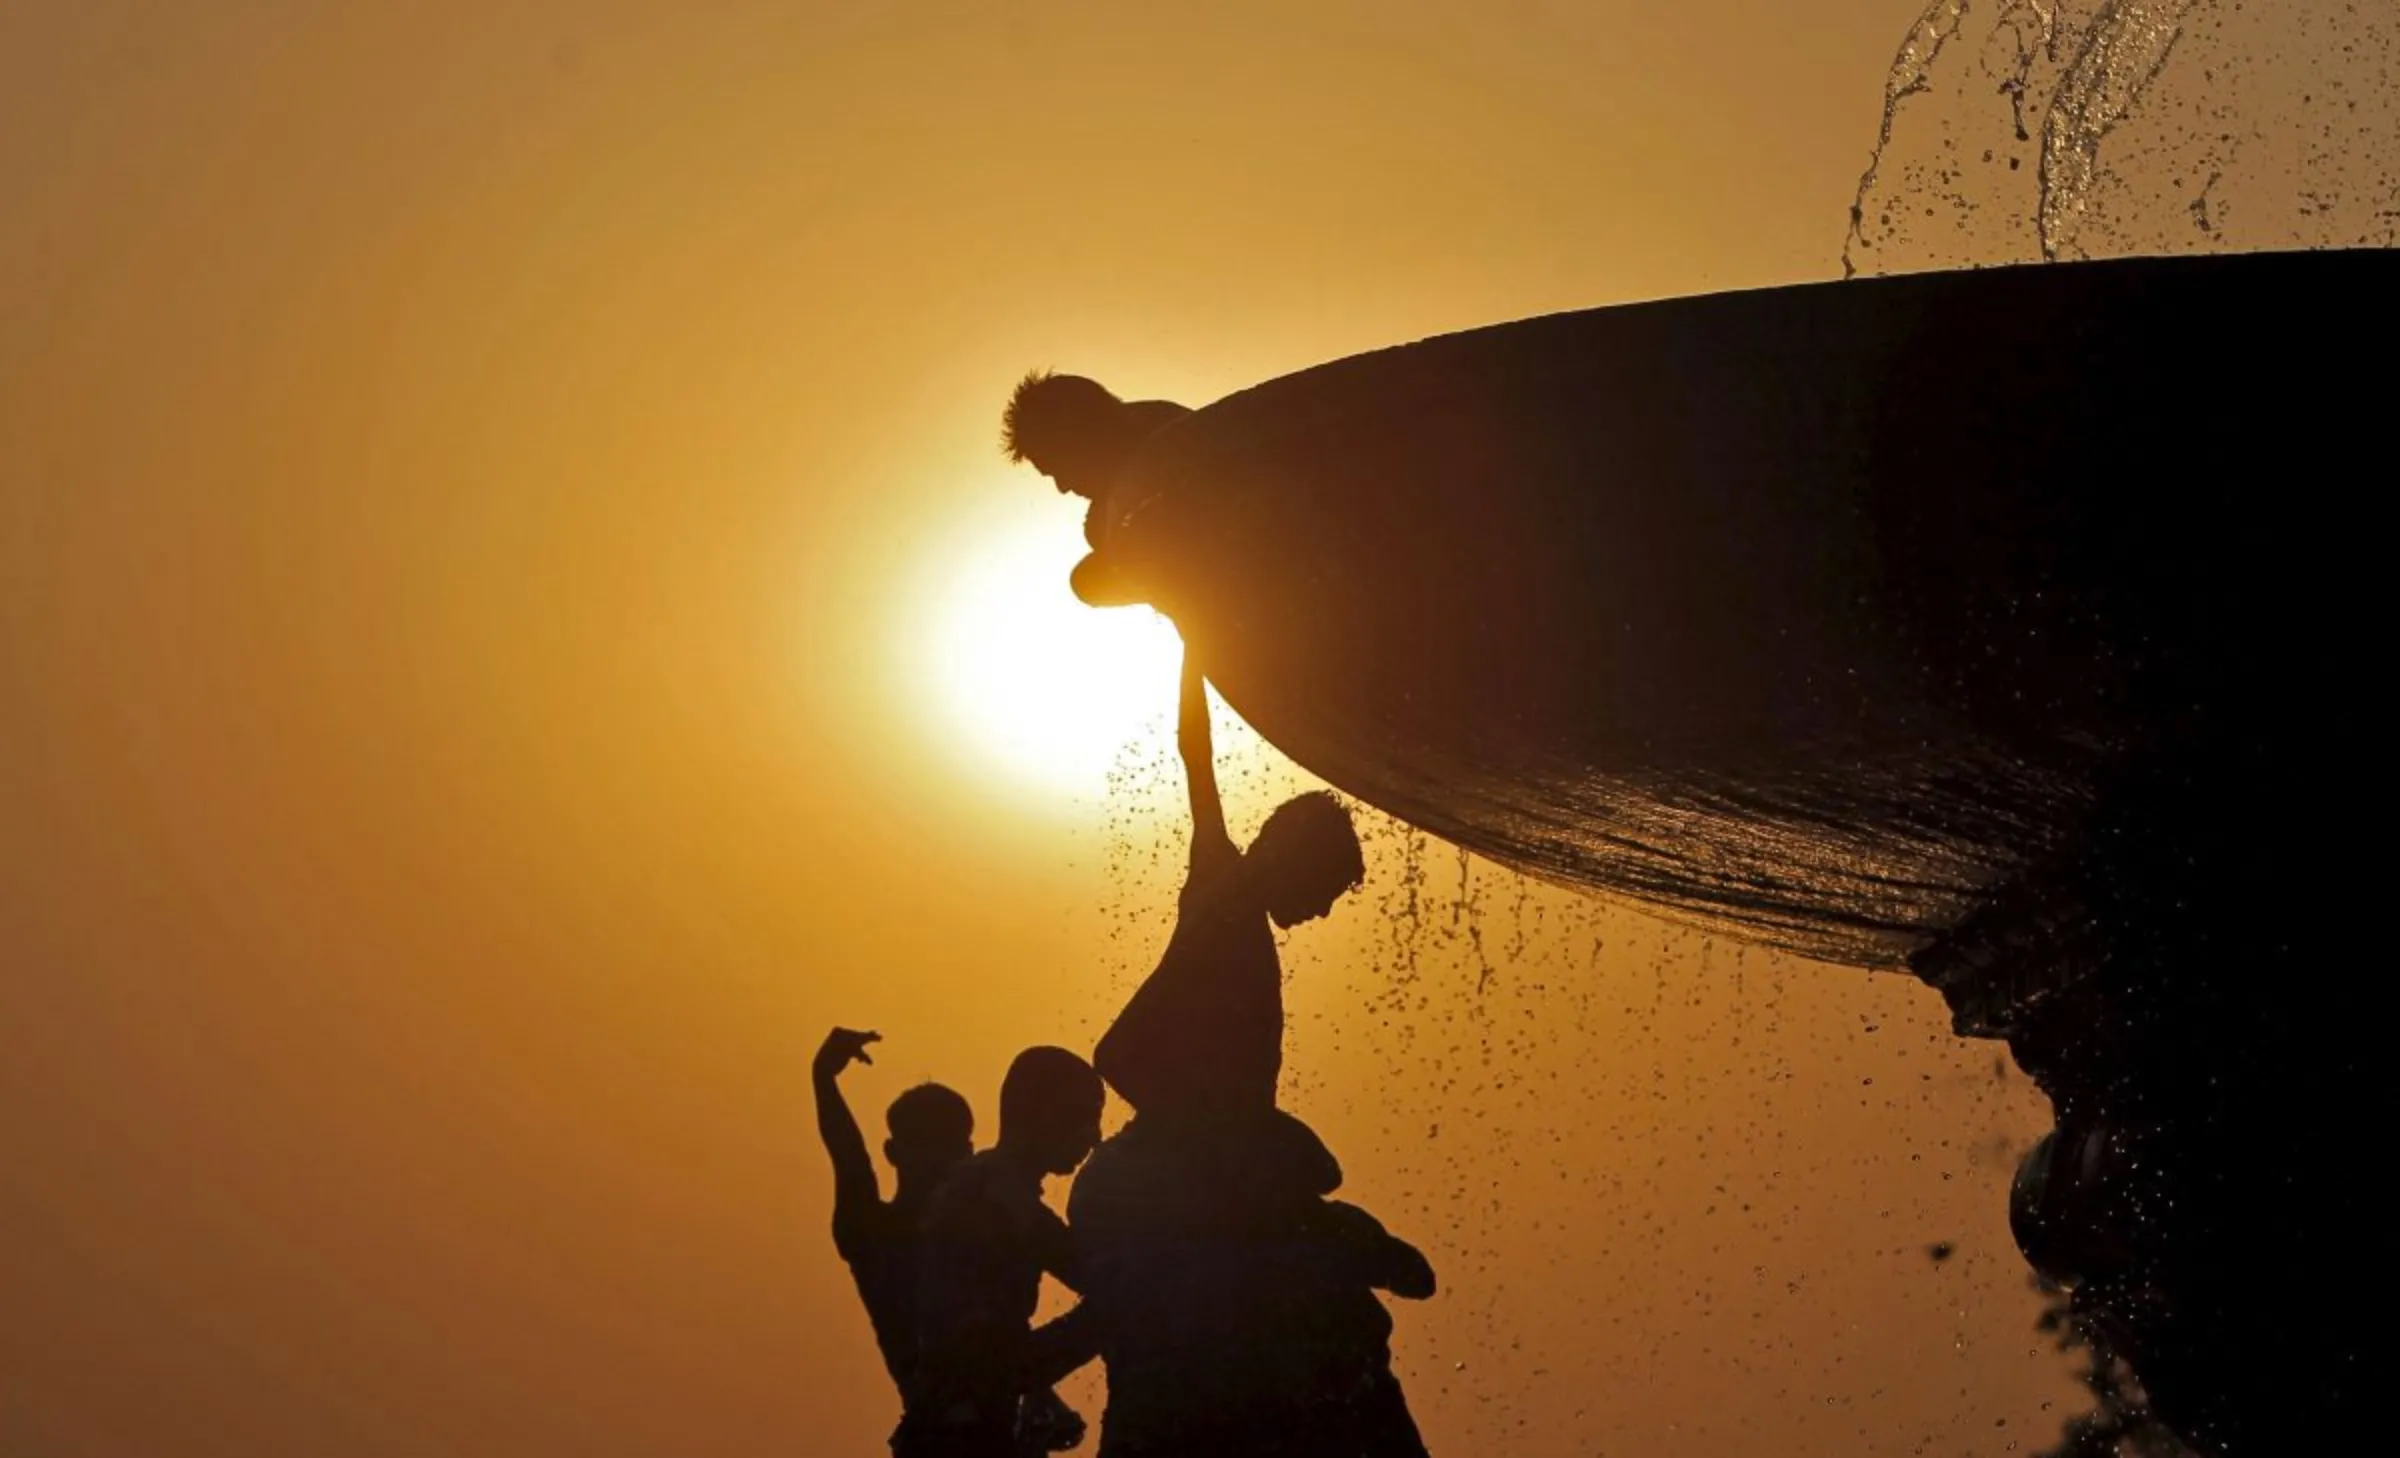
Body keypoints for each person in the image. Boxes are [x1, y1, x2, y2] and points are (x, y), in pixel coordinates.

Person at [1070, 643, 1436, 1456]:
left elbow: (1196, 760)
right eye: (1323, 890)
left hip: (1225, 1162)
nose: (1319, 911)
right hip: (1196, 1171)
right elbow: (1117, 1052)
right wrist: (1209, 1144)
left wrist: (1194, 641)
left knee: (1357, 1242)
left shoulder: (1224, 881)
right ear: (1293, 857)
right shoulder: (1225, 906)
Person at [908, 1046, 1108, 1458]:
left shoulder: (983, 1184)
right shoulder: (1000, 1200)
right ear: (1042, 1115)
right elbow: (1088, 1271)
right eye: (1084, 1117)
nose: (1095, 1136)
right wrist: (1103, 1321)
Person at [814, 1027, 975, 1411]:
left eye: (948, 1146)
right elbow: (849, 1157)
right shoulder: (875, 1234)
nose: (938, 1160)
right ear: (893, 1151)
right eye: (927, 1144)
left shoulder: (977, 1233)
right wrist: (823, 1078)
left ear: (967, 1153)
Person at [999, 371, 1192, 607]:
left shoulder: (1173, 453)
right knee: (1091, 579)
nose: (1063, 487)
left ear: (1085, 439)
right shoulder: (1109, 517)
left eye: (1061, 469)